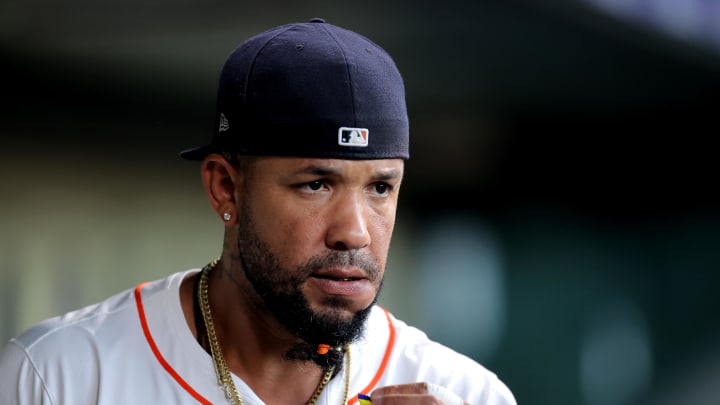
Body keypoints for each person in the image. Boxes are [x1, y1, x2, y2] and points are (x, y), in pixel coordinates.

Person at [0, 18, 516, 405]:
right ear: (225, 187)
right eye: (316, 184)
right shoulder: (57, 376)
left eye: (380, 188)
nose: (355, 232)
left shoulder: (469, 394)